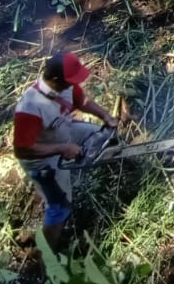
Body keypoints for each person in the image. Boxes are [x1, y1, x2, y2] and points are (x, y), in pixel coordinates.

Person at [13, 52, 119, 251]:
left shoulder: (66, 87)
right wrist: (62, 149)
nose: (73, 85)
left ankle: (107, 175)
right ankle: (47, 258)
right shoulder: (30, 108)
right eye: (70, 81)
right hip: (42, 160)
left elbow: (83, 101)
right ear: (54, 80)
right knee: (60, 209)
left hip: (66, 132)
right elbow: (22, 150)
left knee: (103, 137)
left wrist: (105, 116)